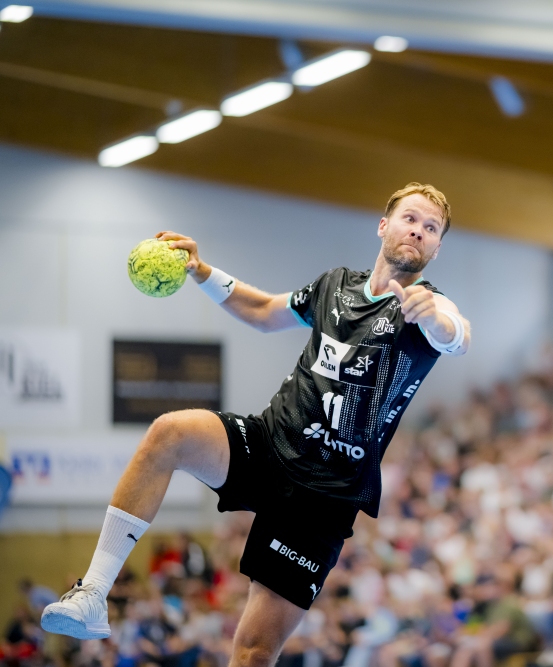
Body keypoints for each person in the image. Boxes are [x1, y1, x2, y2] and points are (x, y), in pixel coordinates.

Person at [40, 184, 472, 664]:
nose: (418, 230)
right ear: (384, 225)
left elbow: (457, 335)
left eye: (431, 228)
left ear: (437, 247)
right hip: (269, 443)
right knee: (169, 432)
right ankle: (94, 593)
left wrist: (438, 321)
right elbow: (266, 312)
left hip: (324, 498)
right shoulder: (335, 286)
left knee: (253, 651)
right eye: (410, 218)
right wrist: (202, 272)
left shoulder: (427, 308)